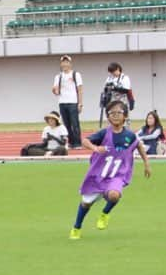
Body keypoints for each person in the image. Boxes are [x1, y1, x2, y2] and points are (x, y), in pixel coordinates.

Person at [69, 100, 151, 240]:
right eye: (112, 113)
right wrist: (95, 148)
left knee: (114, 195)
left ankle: (105, 213)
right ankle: (77, 227)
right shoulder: (103, 133)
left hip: (116, 176)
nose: (115, 115)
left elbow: (139, 146)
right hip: (98, 176)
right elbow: (85, 141)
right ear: (108, 117)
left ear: (125, 116)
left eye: (119, 112)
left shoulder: (130, 136)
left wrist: (146, 163)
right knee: (86, 203)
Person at [52, 55, 83, 148]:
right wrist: (54, 90)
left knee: (75, 123)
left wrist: (80, 103)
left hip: (73, 102)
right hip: (62, 102)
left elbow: (80, 89)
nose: (65, 64)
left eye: (67, 62)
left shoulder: (76, 74)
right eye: (63, 62)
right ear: (61, 64)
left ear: (70, 63)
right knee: (67, 124)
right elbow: (56, 91)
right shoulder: (58, 76)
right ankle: (71, 142)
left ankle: (77, 143)